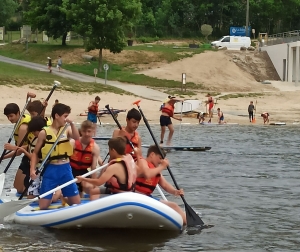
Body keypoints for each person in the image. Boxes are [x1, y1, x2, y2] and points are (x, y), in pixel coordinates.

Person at [76, 137, 167, 200]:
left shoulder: (115, 166)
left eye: (109, 149)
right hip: (123, 191)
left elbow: (99, 182)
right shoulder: (129, 159)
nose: (109, 151)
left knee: (93, 195)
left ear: (113, 150)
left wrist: (83, 179)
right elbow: (139, 169)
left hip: (120, 195)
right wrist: (138, 156)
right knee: (93, 191)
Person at [30, 103, 81, 209]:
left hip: (65, 169)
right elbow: (35, 153)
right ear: (57, 116)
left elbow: (77, 138)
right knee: (43, 206)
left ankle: (63, 196)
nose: (66, 119)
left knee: (76, 203)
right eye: (65, 116)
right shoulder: (44, 133)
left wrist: (72, 124)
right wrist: (32, 170)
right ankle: (59, 195)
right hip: (50, 170)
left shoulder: (67, 129)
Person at [16, 116, 63, 202]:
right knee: (31, 197)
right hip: (36, 170)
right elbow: (33, 153)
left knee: (53, 198)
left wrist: (23, 151)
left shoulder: (48, 140)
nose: (33, 133)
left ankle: (59, 191)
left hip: (48, 169)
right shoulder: (35, 139)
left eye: (35, 131)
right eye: (32, 131)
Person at [3, 99, 33, 193]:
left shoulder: (23, 127)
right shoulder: (23, 117)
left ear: (18, 113)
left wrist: (3, 157)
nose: (10, 119)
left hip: (33, 157)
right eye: (8, 117)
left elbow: (18, 151)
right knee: (17, 187)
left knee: (24, 188)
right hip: (26, 156)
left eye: (11, 116)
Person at [69, 120, 100, 197]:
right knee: (72, 191)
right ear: (81, 131)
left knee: (91, 188)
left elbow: (93, 168)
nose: (86, 134)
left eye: (89, 131)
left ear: (93, 131)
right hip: (70, 171)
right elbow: (65, 161)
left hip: (84, 173)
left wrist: (94, 184)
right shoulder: (73, 143)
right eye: (84, 131)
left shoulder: (95, 148)